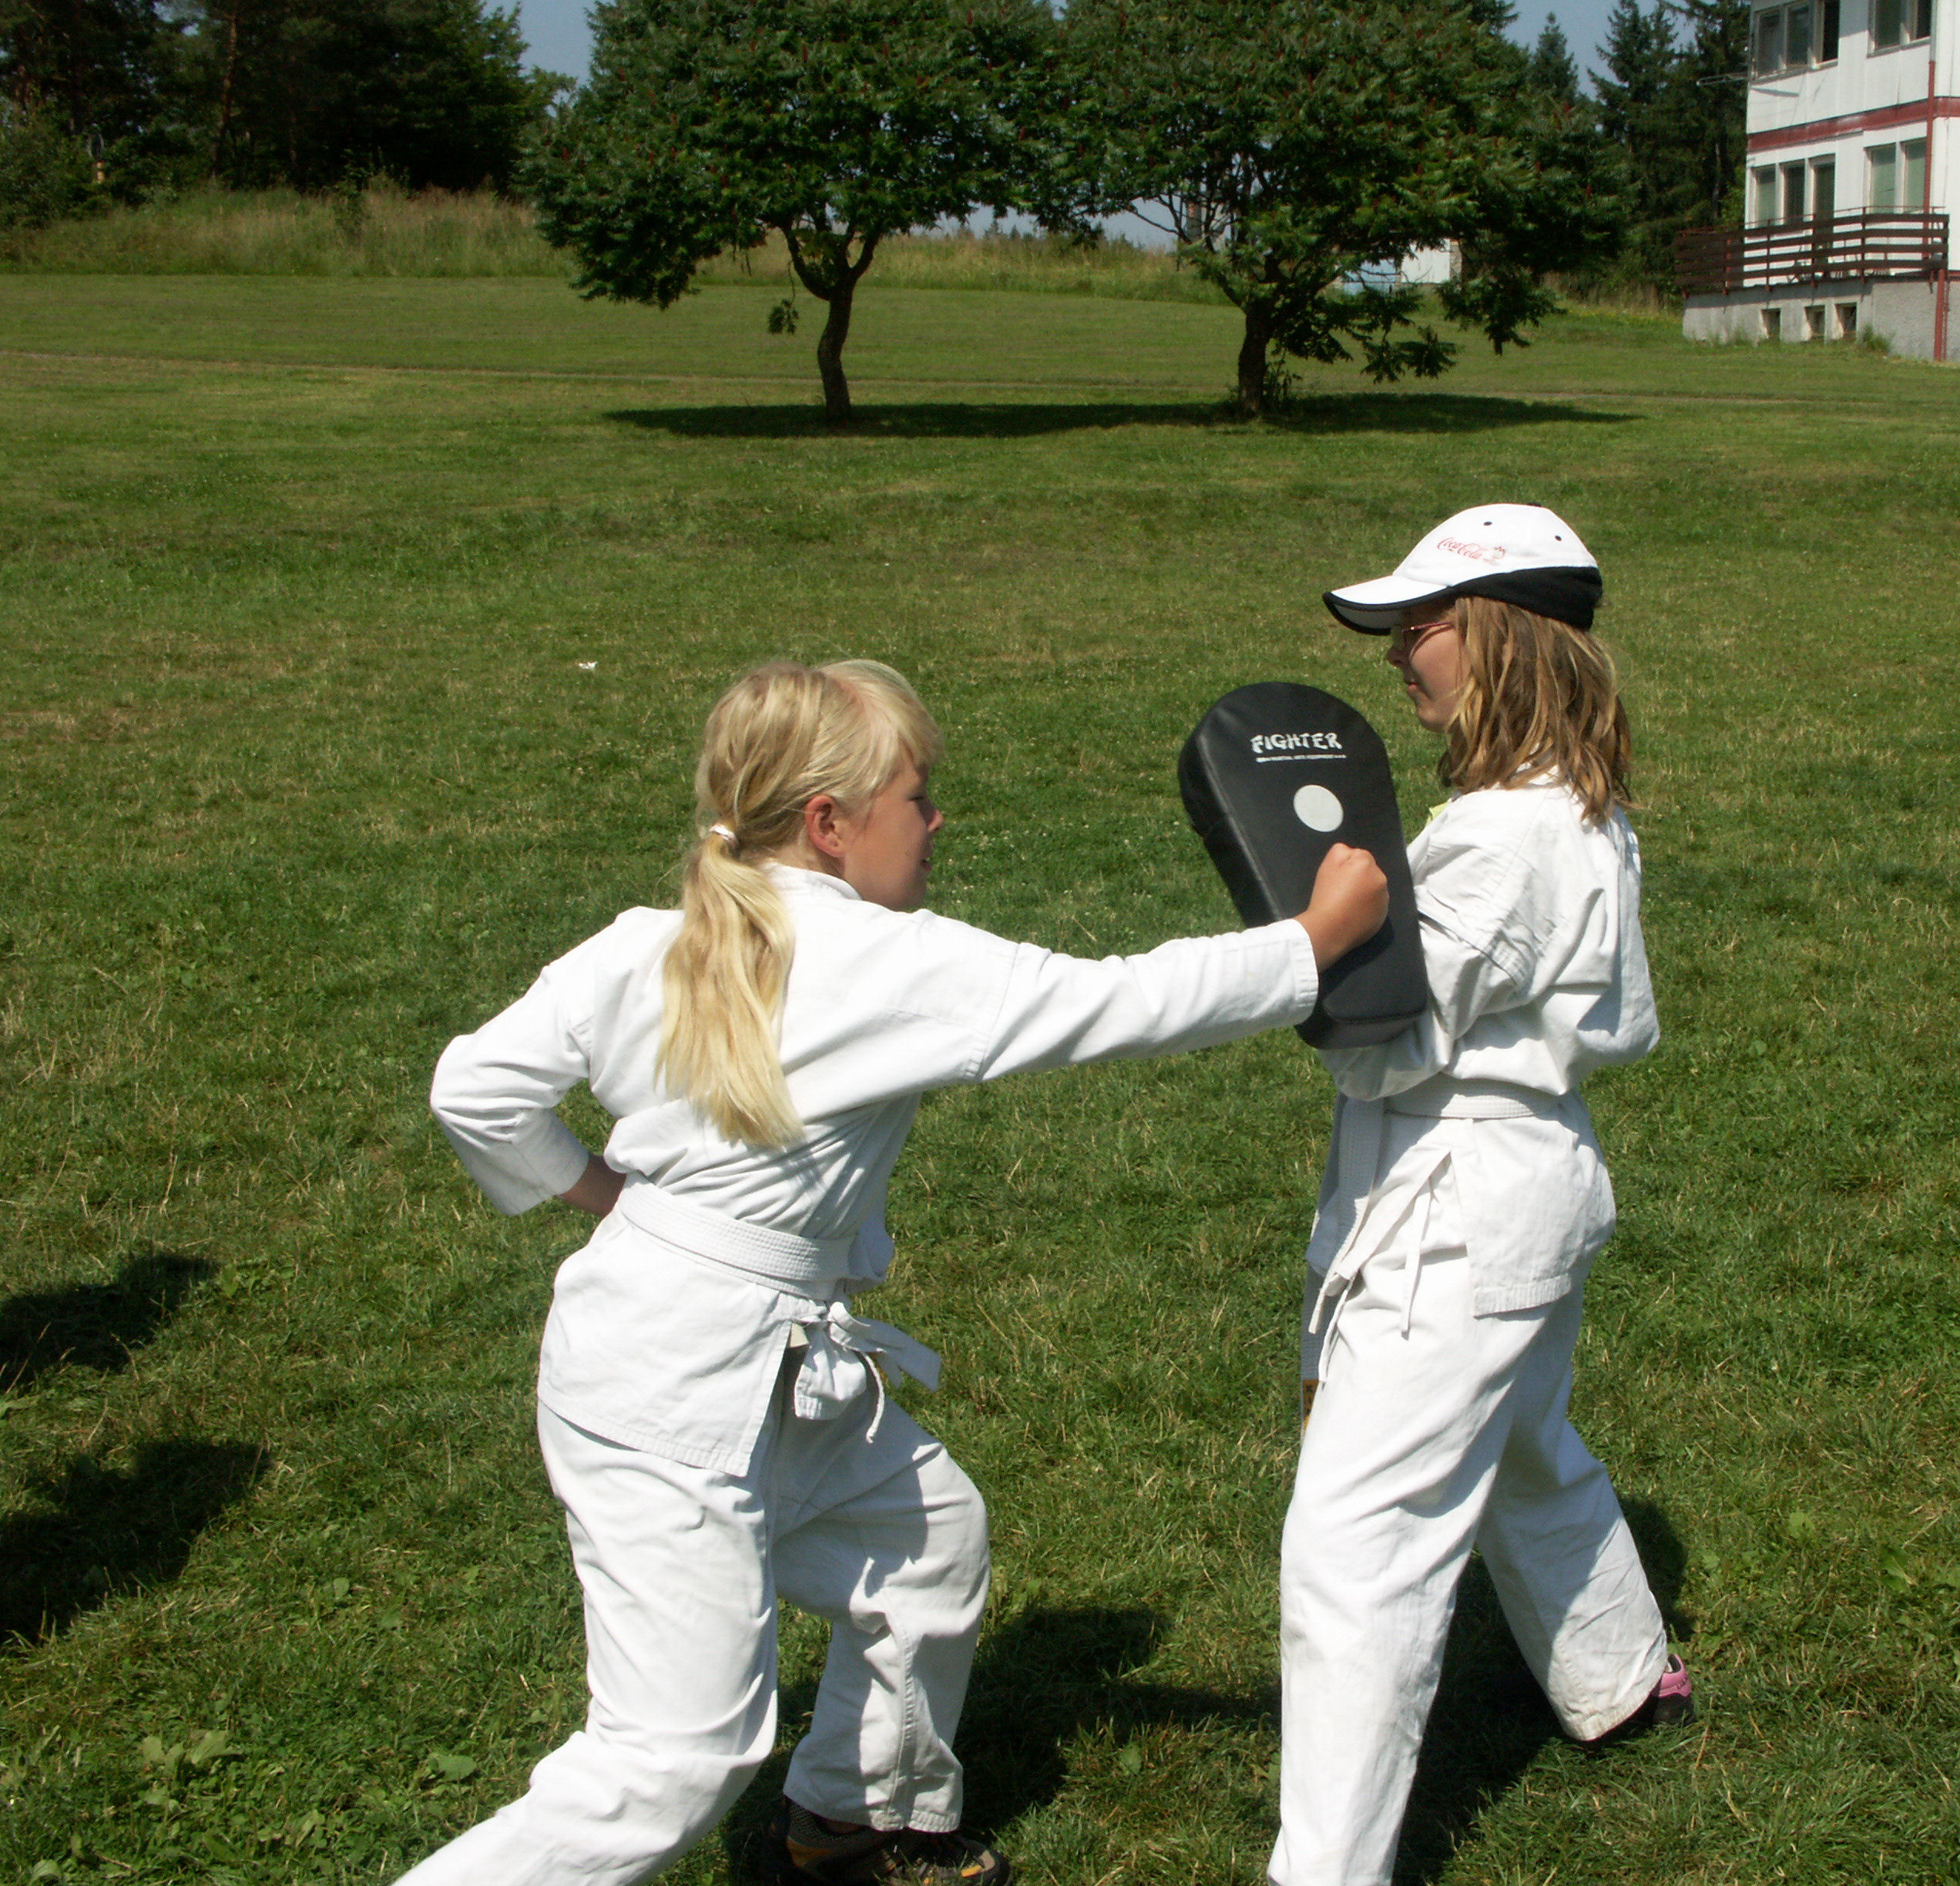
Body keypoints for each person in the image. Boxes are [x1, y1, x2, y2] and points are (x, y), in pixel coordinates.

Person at [414, 659, 1387, 1886]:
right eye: (917, 798)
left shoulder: (643, 943)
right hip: (676, 1388)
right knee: (673, 1759)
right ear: (830, 824)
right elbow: (1123, 1000)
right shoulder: (885, 962)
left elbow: (475, 1093)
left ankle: (847, 1825)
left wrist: (605, 1195)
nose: (938, 822)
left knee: (923, 1545)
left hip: (691, 1346)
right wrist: (1311, 943)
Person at [1273, 505, 1689, 1886]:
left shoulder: (1496, 838)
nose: (1400, 655)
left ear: (1500, 637)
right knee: (1518, 1443)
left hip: (1452, 1210)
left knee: (1359, 1552)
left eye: (1420, 627)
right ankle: (1619, 1673)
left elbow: (1383, 1038)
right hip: (1533, 1186)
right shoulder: (1578, 806)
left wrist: (1306, 948)